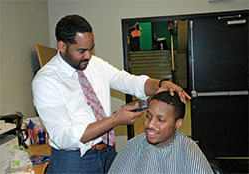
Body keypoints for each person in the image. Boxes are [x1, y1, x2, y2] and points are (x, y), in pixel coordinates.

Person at [32, 14, 191, 174]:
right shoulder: (46, 80)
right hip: (74, 159)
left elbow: (128, 81)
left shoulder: (95, 64)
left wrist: (161, 84)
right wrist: (114, 120)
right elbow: (63, 137)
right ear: (62, 46)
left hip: (107, 152)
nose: (88, 56)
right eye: (81, 51)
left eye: (91, 49)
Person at [108, 91, 213, 174]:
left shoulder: (189, 150)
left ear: (178, 123)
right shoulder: (133, 146)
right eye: (148, 116)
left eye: (161, 120)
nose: (150, 125)